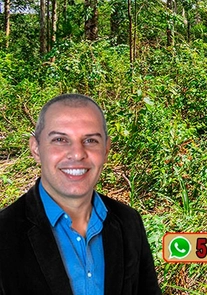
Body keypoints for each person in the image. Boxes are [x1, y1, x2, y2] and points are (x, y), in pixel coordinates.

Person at [0, 93, 161, 295]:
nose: (77, 154)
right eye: (60, 139)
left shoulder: (129, 222)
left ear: (106, 149)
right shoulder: (4, 233)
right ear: (36, 148)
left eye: (91, 140)